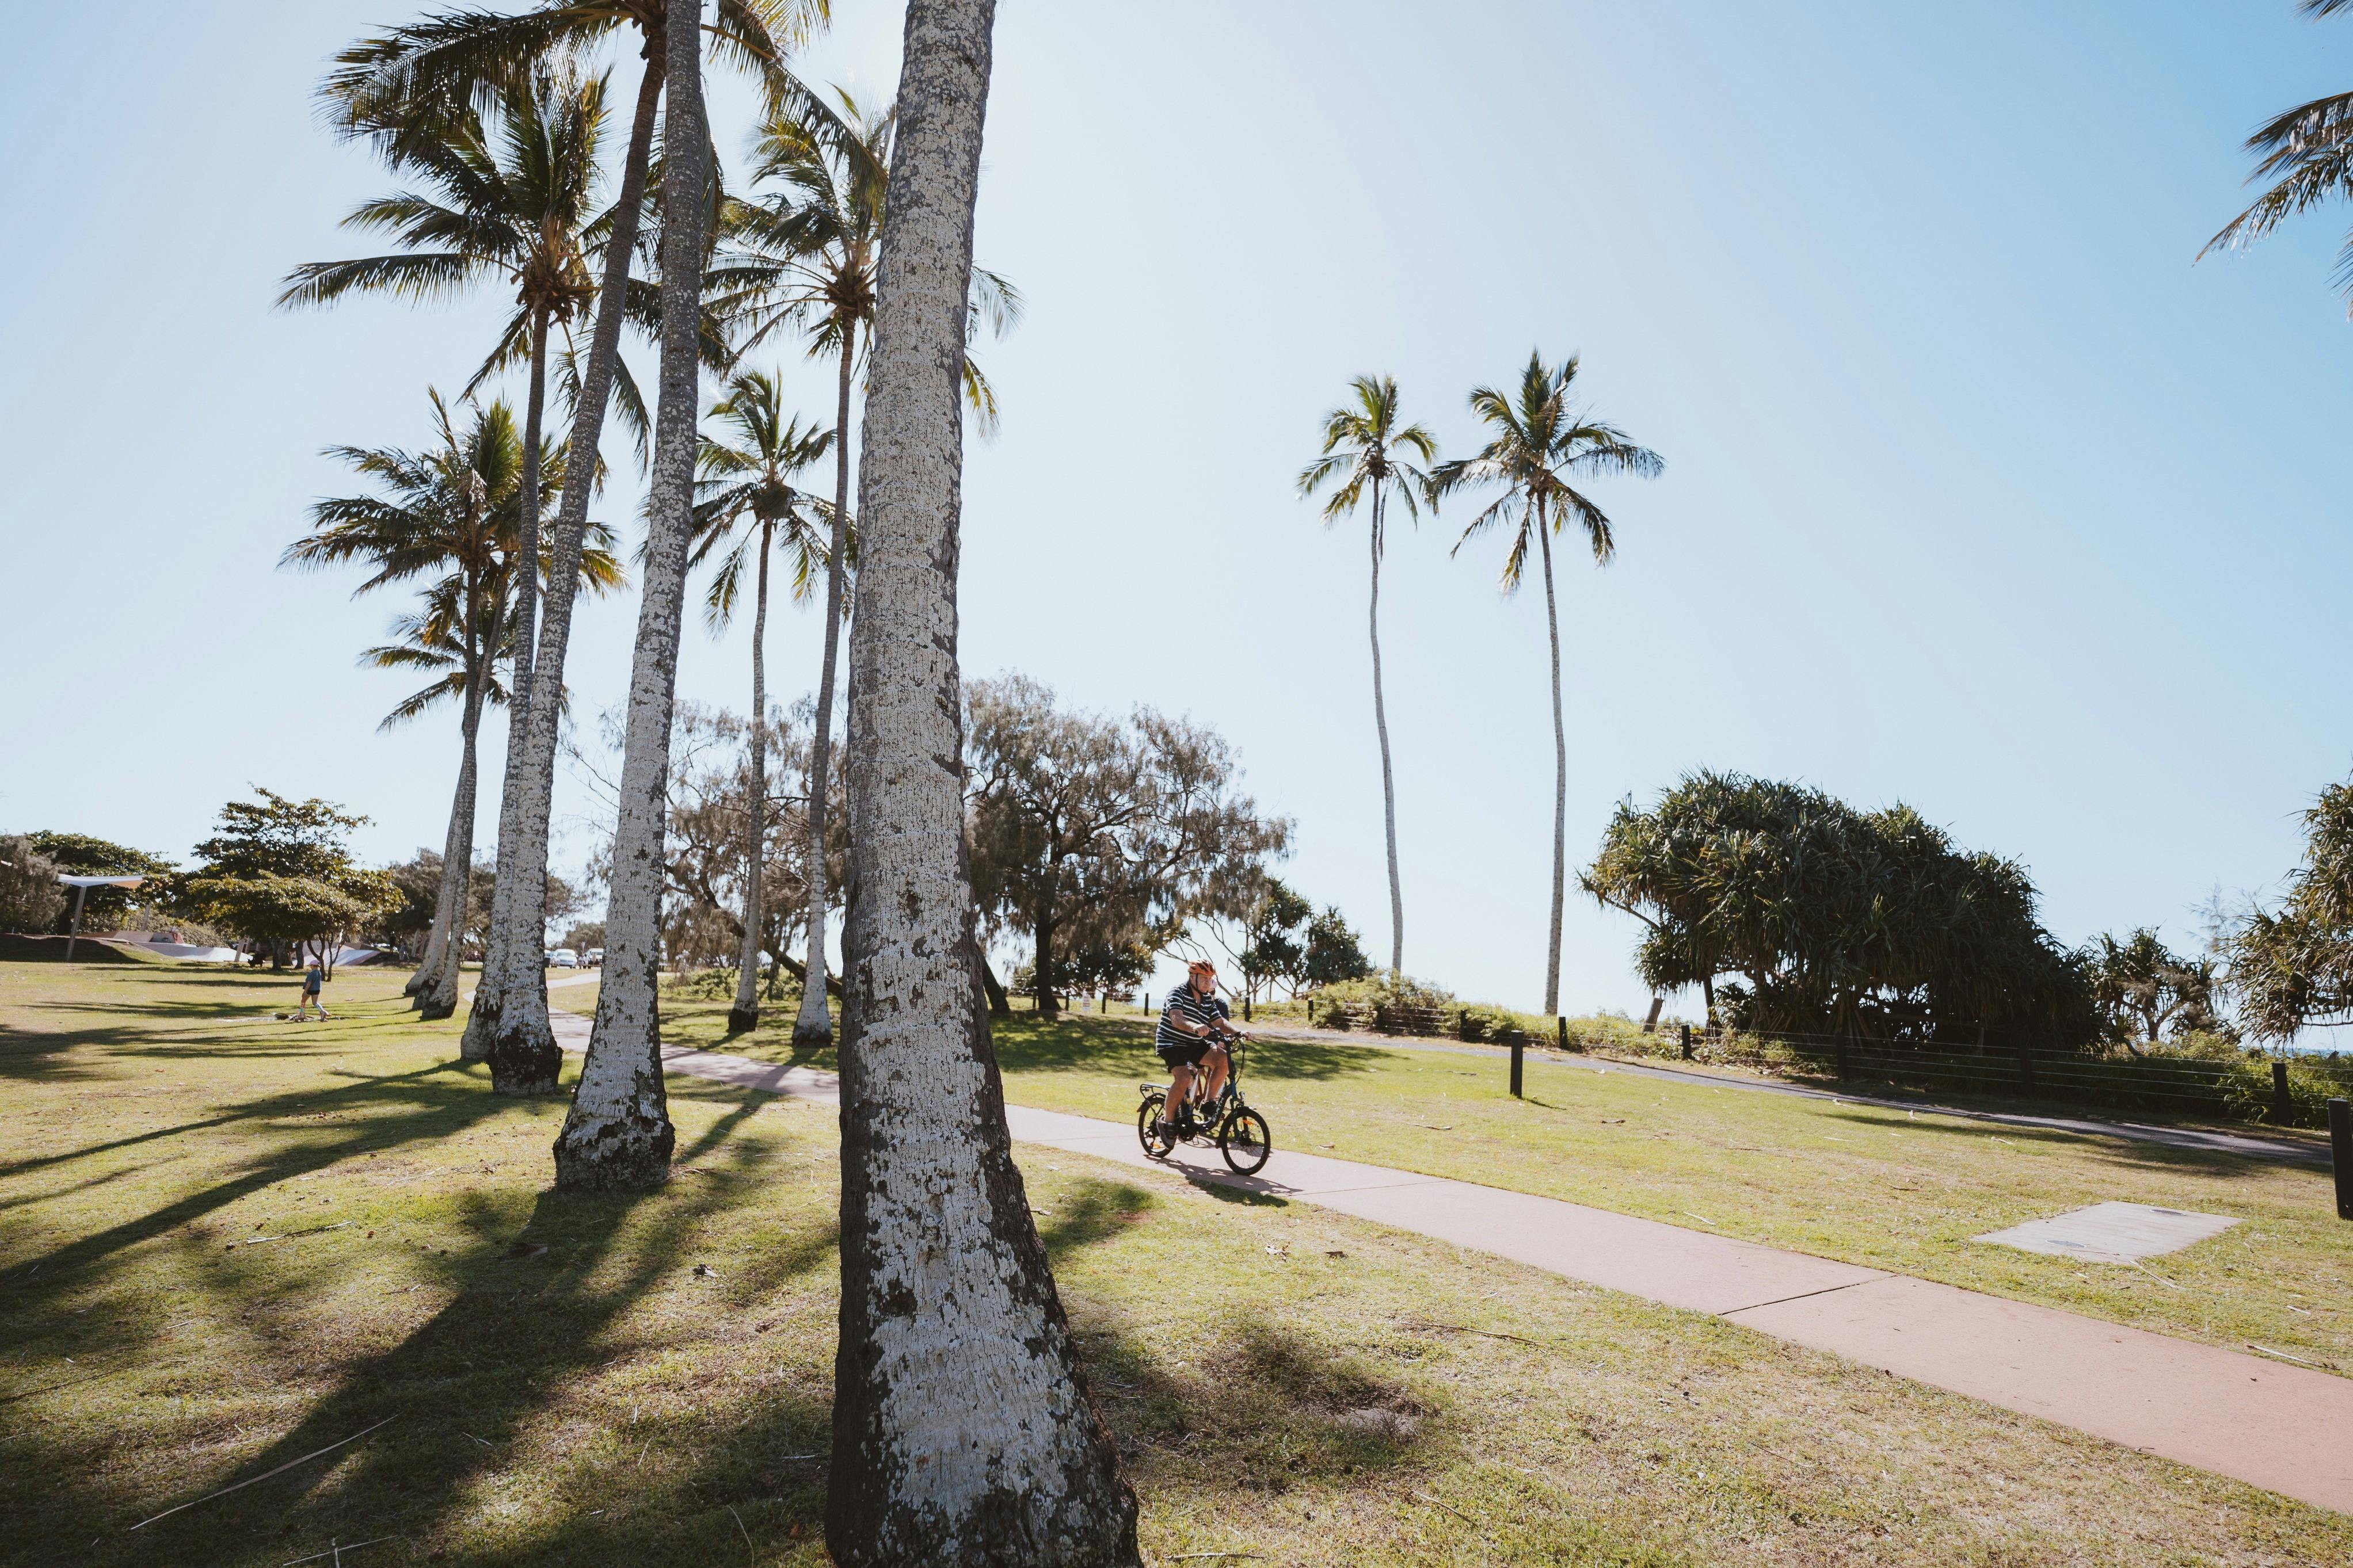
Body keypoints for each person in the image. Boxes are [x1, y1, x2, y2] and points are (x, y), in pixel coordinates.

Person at [1153, 959, 1243, 1139]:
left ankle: (1208, 1102)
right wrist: (1194, 1026)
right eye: (1203, 978)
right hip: (1171, 1043)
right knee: (1184, 1078)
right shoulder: (1177, 992)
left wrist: (1238, 1032)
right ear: (1192, 977)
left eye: (1210, 979)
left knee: (1223, 1059)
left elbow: (1219, 1022)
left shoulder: (1207, 999)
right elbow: (1176, 1018)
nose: (1207, 982)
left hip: (1193, 1042)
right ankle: (1167, 1121)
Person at [292, 957, 329, 1021]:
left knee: (303, 1002)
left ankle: (302, 1015)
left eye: (311, 966)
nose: (310, 967)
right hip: (317, 990)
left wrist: (305, 991)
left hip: (310, 990)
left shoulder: (312, 973)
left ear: (312, 966)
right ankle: (322, 1012)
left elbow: (309, 983)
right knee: (315, 1003)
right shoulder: (319, 972)